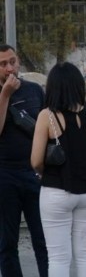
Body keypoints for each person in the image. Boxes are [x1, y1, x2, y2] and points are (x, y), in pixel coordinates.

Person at [31, 62, 86, 277]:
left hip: (57, 190)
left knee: (59, 258)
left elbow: (35, 160)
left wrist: (45, 170)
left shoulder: (47, 116)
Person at [0, 43, 49, 276]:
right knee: (7, 243)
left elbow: (50, 126)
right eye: (2, 64)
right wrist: (5, 95)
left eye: (12, 62)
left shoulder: (34, 90)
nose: (9, 68)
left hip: (34, 174)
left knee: (43, 239)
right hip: (4, 176)